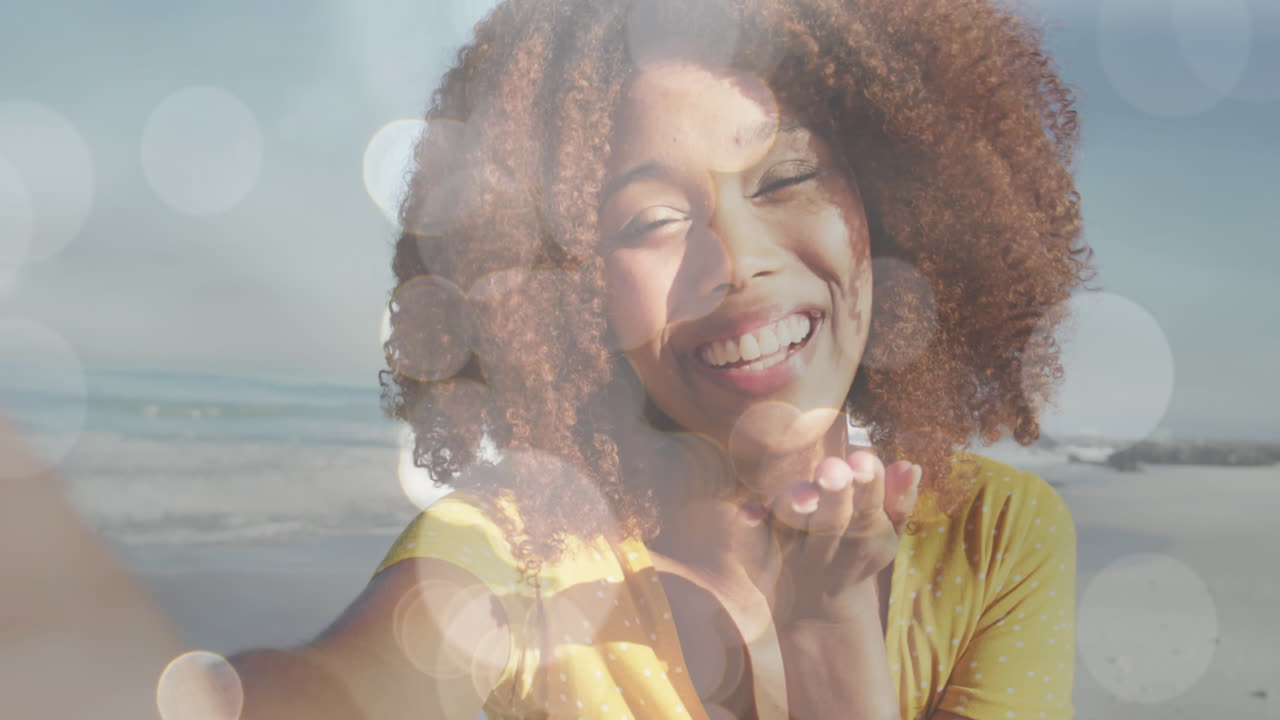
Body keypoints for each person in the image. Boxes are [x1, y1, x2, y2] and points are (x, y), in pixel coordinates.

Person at [0, 0, 1092, 718]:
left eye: (783, 179)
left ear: (892, 213)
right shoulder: (520, 553)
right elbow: (343, 688)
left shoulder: (994, 541)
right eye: (651, 221)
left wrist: (830, 642)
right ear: (565, 294)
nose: (736, 262)